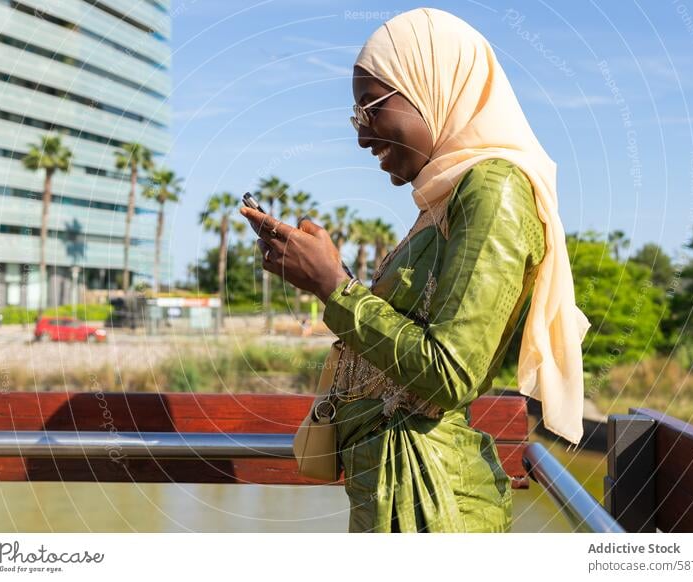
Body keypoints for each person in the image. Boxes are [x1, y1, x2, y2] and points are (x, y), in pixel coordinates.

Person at [241, 8, 590, 532]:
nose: (362, 136)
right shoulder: (441, 202)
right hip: (399, 492)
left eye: (371, 109)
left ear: (433, 87)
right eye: (356, 118)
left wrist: (334, 285)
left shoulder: (493, 189)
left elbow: (450, 373)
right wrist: (324, 277)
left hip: (433, 502)